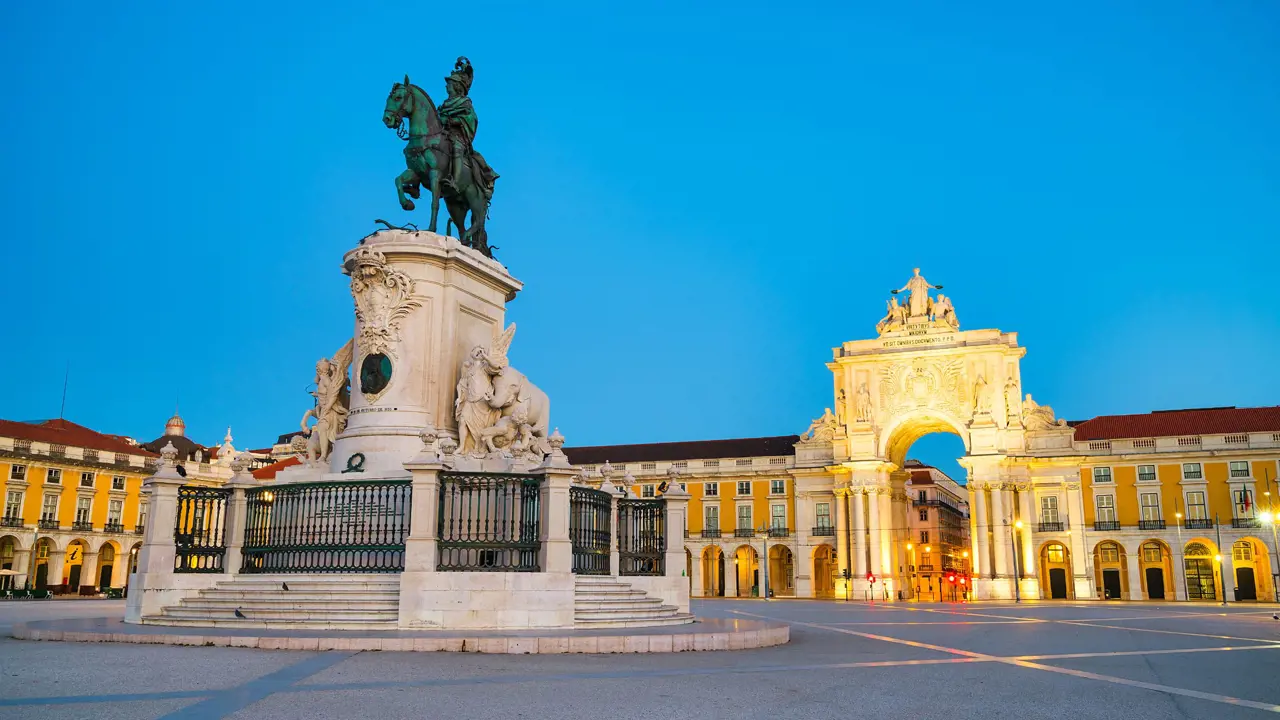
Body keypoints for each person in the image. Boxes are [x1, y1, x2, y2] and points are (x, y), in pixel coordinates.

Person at [439, 57, 499, 198]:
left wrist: (453, 121)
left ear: (456, 86)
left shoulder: (465, 103)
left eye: (449, 83)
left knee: (456, 149)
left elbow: (471, 119)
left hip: (458, 137)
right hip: (442, 134)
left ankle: (454, 181)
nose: (446, 86)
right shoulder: (445, 104)